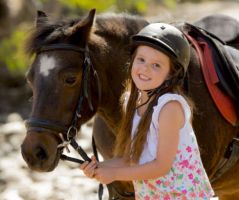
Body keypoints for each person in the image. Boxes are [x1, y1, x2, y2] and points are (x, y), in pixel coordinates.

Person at [80, 23, 215, 199]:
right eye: (141, 60)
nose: (144, 69)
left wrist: (115, 175)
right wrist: (102, 167)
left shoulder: (169, 108)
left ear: (171, 74)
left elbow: (161, 166)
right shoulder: (132, 102)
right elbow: (133, 158)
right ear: (132, 60)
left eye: (156, 65)